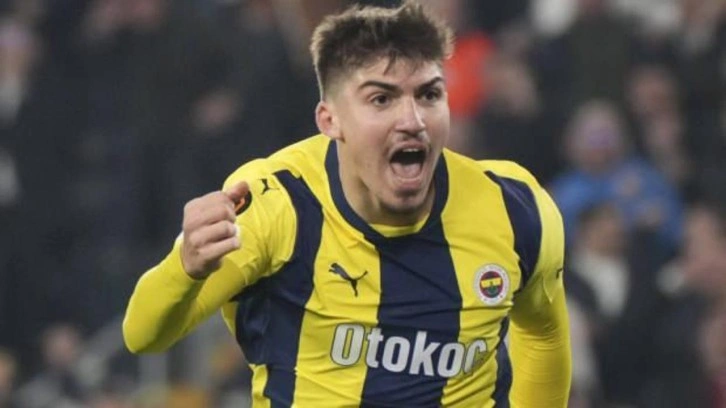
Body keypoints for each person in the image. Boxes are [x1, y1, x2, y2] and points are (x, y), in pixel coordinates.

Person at [123, 1, 571, 406]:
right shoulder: (277, 205)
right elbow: (143, 335)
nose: (413, 120)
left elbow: (544, 334)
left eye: (429, 94)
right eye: (382, 99)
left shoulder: (514, 209)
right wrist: (185, 267)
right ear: (330, 119)